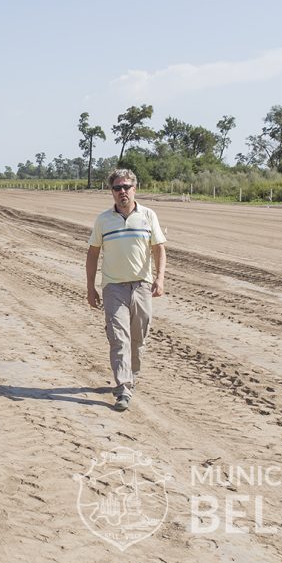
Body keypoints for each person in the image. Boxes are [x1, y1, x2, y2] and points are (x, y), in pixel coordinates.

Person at [85, 169, 166, 412]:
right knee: (119, 338)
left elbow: (159, 249)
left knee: (138, 337)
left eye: (127, 187)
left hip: (141, 286)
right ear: (111, 192)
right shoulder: (103, 220)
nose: (122, 192)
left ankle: (131, 376)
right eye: (117, 188)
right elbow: (92, 255)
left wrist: (159, 279)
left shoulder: (148, 216)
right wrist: (90, 287)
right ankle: (123, 388)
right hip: (113, 287)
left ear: (134, 189)